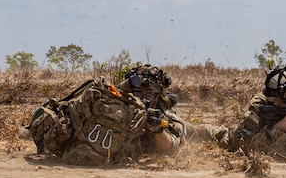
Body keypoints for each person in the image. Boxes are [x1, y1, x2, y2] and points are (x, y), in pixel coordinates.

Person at [21, 64, 185, 166]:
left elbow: (172, 148)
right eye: (137, 92)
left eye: (148, 93)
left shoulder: (163, 112)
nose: (142, 97)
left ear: (158, 96)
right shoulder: (111, 103)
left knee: (197, 131)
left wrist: (156, 130)